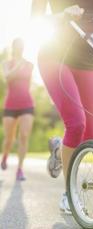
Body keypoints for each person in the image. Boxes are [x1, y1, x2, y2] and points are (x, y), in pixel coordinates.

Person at [31, 0, 93, 214]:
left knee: (91, 134)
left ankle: (59, 147)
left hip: (87, 58)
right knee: (76, 123)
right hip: (55, 55)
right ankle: (69, 195)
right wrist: (63, 16)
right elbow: (36, 20)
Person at [1, 38, 34, 181]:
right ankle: (5, 157)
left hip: (27, 103)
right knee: (9, 138)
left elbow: (28, 82)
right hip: (10, 105)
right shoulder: (6, 63)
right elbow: (7, 77)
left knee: (24, 136)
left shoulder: (30, 64)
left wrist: (22, 64)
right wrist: (18, 65)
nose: (20, 48)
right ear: (13, 47)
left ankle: (20, 169)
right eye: (17, 45)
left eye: (22, 45)